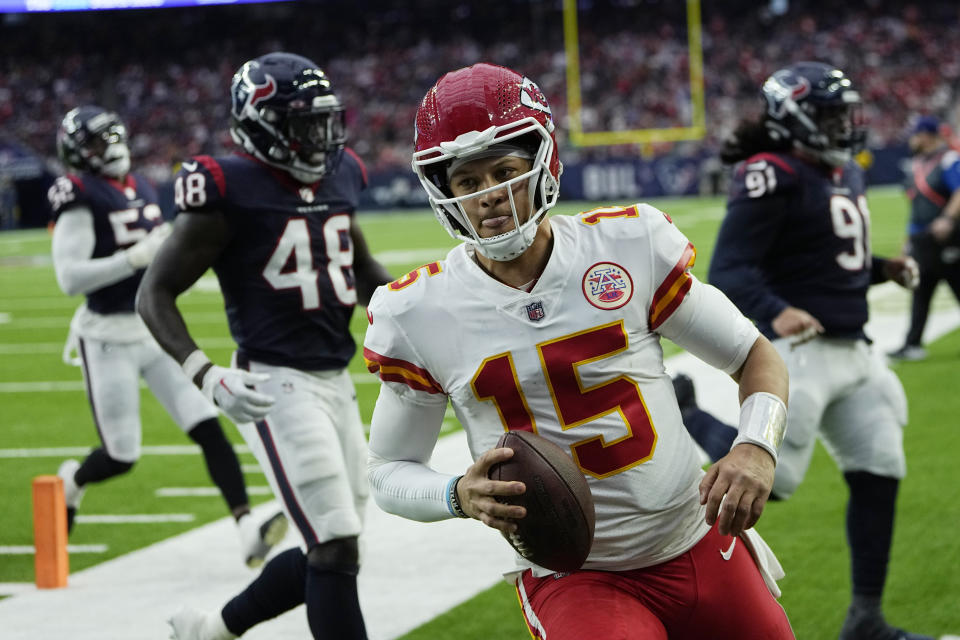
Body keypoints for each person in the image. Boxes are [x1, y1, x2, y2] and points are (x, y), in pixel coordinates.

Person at [362, 62, 794, 640]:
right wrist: (455, 494)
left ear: (542, 163)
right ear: (445, 192)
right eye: (468, 182)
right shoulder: (417, 312)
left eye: (505, 171)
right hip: (574, 575)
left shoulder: (627, 244)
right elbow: (389, 470)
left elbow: (752, 355)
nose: (490, 196)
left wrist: (755, 448)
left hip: (694, 536)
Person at [137, 53, 391, 640]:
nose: (321, 138)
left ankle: (211, 630)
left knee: (334, 544)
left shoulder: (341, 172)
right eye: (304, 124)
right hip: (273, 384)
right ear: (261, 124)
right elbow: (155, 293)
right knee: (334, 544)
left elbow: (359, 270)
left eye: (326, 121)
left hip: (335, 380)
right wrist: (204, 373)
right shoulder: (228, 187)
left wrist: (428, 313)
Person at [709, 62, 935, 640]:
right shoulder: (770, 172)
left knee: (883, 465)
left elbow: (834, 265)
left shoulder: (841, 172)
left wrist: (884, 269)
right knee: (772, 483)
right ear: (795, 115)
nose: (844, 124)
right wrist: (776, 308)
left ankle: (866, 619)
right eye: (833, 113)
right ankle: (690, 415)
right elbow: (728, 269)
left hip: (855, 353)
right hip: (801, 353)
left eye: (845, 112)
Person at [48, 105, 287, 569]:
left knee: (208, 425)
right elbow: (69, 278)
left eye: (115, 137)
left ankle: (245, 530)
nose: (113, 149)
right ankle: (71, 483)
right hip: (106, 335)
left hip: (151, 327)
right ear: (79, 152)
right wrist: (135, 259)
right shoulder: (79, 193)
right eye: (100, 142)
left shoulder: (140, 186)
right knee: (121, 456)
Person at [888, 115, 960, 361]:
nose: (912, 139)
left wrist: (948, 219)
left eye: (916, 134)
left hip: (946, 239)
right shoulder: (919, 163)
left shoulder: (948, 159)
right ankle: (912, 344)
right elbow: (917, 206)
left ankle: (912, 343)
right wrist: (907, 240)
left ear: (927, 135)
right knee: (920, 291)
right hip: (921, 239)